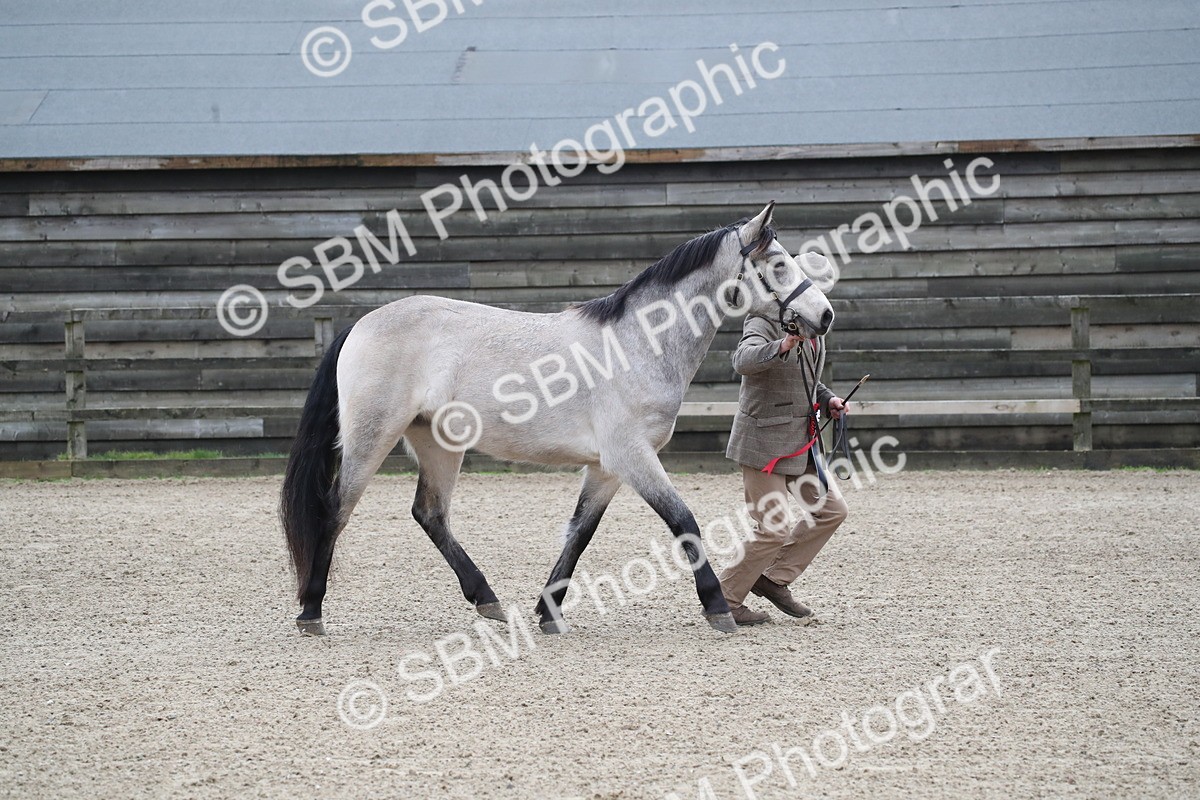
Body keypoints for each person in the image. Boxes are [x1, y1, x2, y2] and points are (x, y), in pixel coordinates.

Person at [718, 314, 849, 626]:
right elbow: (742, 360)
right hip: (761, 443)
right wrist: (781, 345)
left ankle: (773, 579)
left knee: (832, 510)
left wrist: (827, 398)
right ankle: (724, 597)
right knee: (774, 528)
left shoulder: (818, 328)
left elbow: (806, 380)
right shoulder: (761, 321)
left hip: (799, 443)